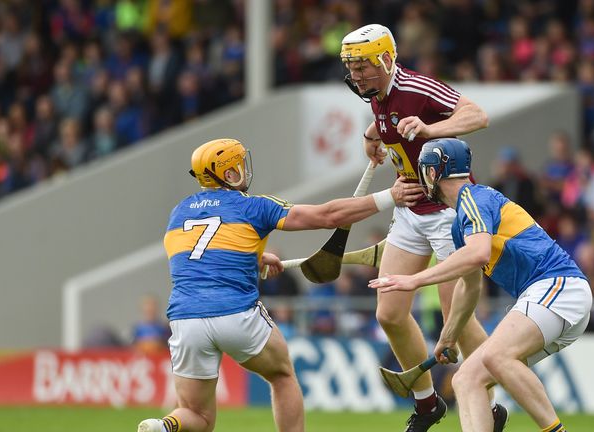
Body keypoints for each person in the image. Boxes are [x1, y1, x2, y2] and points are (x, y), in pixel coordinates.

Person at [138, 138, 406, 432]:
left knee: (196, 416)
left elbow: (198, 256)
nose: (244, 169)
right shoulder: (254, 206)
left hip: (186, 319)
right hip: (235, 313)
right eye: (238, 165)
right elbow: (328, 216)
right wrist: (390, 196)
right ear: (229, 173)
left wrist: (254, 258)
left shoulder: (179, 212)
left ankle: (164, 425)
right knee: (281, 375)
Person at [340, 24, 502, 432]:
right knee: (389, 313)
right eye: (352, 67)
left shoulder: (417, 86)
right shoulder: (376, 95)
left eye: (362, 66)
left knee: (456, 320)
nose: (356, 74)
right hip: (411, 211)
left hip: (448, 211)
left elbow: (477, 115)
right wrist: (371, 134)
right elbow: (390, 121)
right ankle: (428, 404)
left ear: (386, 59)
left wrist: (432, 130)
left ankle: (491, 406)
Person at [371, 138, 592, 432]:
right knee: (467, 379)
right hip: (548, 298)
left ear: (434, 173)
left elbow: (478, 254)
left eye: (424, 171)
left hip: (558, 286)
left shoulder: (473, 199)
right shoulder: (461, 223)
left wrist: (414, 279)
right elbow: (470, 286)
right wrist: (449, 335)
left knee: (495, 356)